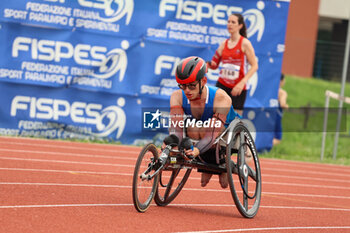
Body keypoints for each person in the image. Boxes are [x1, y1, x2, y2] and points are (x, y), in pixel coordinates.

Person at [167, 56, 240, 188]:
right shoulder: (177, 96)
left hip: (225, 132)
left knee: (203, 128)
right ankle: (207, 166)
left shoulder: (221, 98)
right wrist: (173, 146)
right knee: (192, 129)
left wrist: (196, 151)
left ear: (204, 81)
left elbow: (212, 134)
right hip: (200, 133)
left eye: (192, 86)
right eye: (183, 86)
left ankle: (218, 164)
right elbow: (176, 128)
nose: (187, 91)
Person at [207, 13, 258, 116]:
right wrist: (207, 65)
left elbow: (254, 66)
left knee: (235, 122)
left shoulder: (245, 44)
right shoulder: (224, 44)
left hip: (237, 89)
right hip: (222, 85)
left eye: (233, 22)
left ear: (240, 25)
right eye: (228, 22)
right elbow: (214, 64)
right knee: (216, 118)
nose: (230, 24)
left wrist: (241, 83)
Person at [273, 73, 288, 146]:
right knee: (278, 138)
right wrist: (286, 106)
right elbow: (282, 104)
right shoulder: (282, 93)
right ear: (281, 81)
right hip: (277, 116)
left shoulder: (269, 90)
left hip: (267, 115)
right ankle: (267, 146)